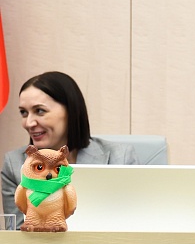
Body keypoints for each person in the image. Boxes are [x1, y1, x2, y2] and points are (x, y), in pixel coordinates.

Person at [2, 71, 138, 229]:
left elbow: (135, 225)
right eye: (24, 113)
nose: (29, 123)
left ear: (71, 111)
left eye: (39, 111)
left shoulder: (120, 158)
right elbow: (16, 234)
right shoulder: (14, 164)